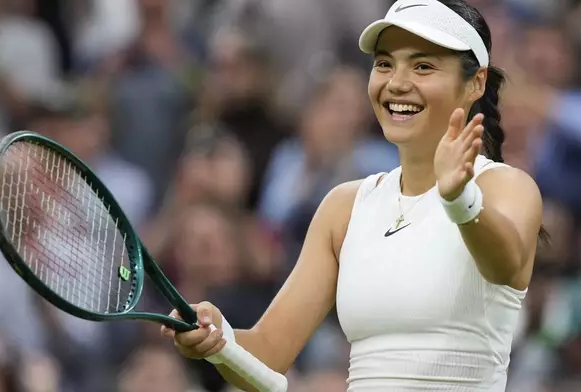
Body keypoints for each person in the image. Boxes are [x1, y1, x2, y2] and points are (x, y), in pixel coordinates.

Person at [161, 0, 545, 390]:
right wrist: (217, 338)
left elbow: (504, 266)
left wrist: (458, 197)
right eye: (384, 64)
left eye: (423, 66)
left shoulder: (505, 187)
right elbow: (267, 353)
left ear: (475, 83)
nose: (396, 82)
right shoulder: (343, 207)